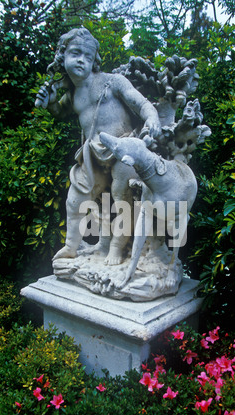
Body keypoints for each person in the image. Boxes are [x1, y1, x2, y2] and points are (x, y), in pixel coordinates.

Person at [36, 27, 161, 264]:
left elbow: (141, 103)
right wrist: (50, 102)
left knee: (120, 197)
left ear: (95, 61)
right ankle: (71, 247)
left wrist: (152, 117)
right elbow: (59, 112)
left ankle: (117, 246)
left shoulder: (113, 82)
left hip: (124, 147)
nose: (82, 60)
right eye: (75, 54)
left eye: (88, 56)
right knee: (75, 199)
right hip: (93, 154)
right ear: (62, 57)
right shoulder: (72, 95)